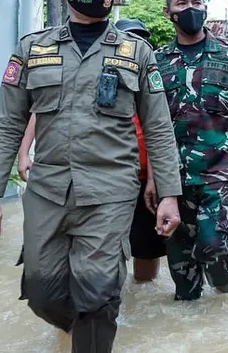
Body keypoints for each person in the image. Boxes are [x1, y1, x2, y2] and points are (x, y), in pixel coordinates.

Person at [0, 0, 183, 352]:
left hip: (110, 192)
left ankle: (92, 331)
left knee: (98, 292)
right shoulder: (33, 50)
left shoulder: (136, 53)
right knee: (41, 291)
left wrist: (169, 194)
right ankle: (77, 326)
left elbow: (158, 127)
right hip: (47, 189)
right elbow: (6, 123)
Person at [16, 19, 165, 283]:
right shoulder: (87, 74)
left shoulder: (146, 76)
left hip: (141, 177)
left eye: (140, 38)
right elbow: (41, 112)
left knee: (145, 248)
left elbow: (158, 133)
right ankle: (93, 303)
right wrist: (24, 152)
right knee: (87, 254)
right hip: (100, 178)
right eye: (128, 37)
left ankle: (137, 297)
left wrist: (156, 179)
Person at [154, 0, 228, 301]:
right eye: (182, 4)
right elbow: (151, 121)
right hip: (172, 173)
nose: (191, 9)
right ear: (168, 12)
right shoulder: (156, 61)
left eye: (196, 3)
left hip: (219, 165)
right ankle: (192, 315)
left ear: (205, 7)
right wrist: (151, 178)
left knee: (215, 242)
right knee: (180, 257)